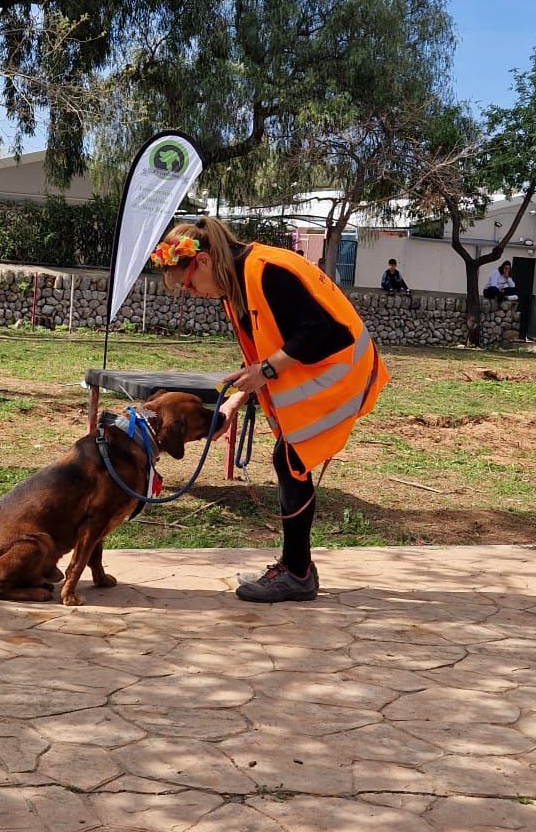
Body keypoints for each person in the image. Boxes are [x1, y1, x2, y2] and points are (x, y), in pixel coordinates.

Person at [151, 218, 389, 603]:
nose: (191, 293)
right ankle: (297, 568)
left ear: (206, 262)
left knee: (289, 460)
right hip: (319, 374)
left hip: (340, 373)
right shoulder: (238, 285)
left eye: (188, 283)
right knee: (288, 461)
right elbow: (264, 351)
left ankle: (297, 574)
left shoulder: (267, 271)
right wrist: (232, 402)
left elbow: (325, 332)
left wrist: (264, 371)